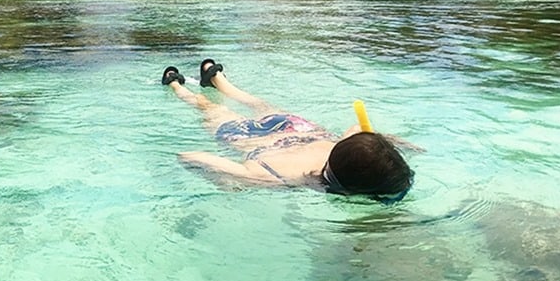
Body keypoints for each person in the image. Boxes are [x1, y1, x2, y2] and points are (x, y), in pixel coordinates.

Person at [161, 59, 414, 203]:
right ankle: (176, 85)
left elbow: (356, 129)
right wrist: (231, 183)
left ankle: (217, 78)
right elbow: (190, 156)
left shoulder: (351, 148)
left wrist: (388, 143)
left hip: (297, 127)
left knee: (257, 104)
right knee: (207, 107)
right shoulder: (276, 179)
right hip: (247, 136)